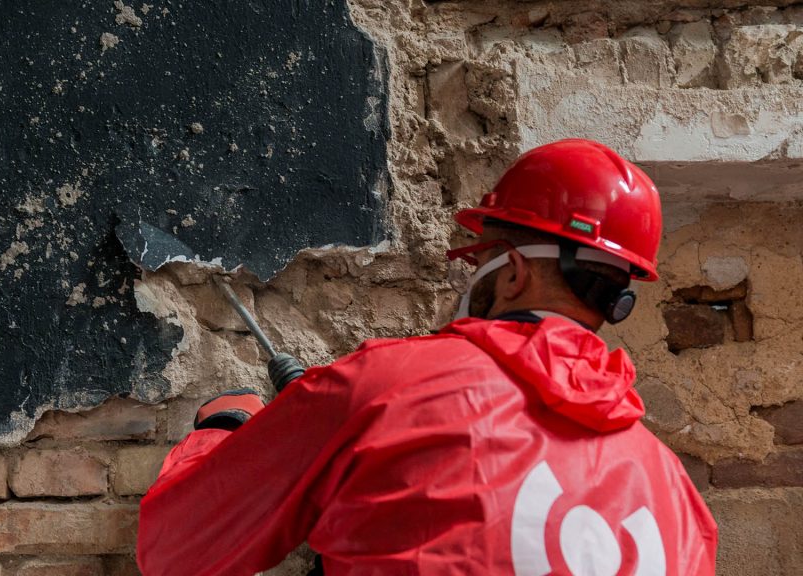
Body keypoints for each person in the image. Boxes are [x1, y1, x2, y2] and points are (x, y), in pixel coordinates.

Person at [137, 139, 718, 575]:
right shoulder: (675, 494)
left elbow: (176, 548)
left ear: (511, 274)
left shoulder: (386, 388)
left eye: (478, 260)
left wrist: (225, 428)